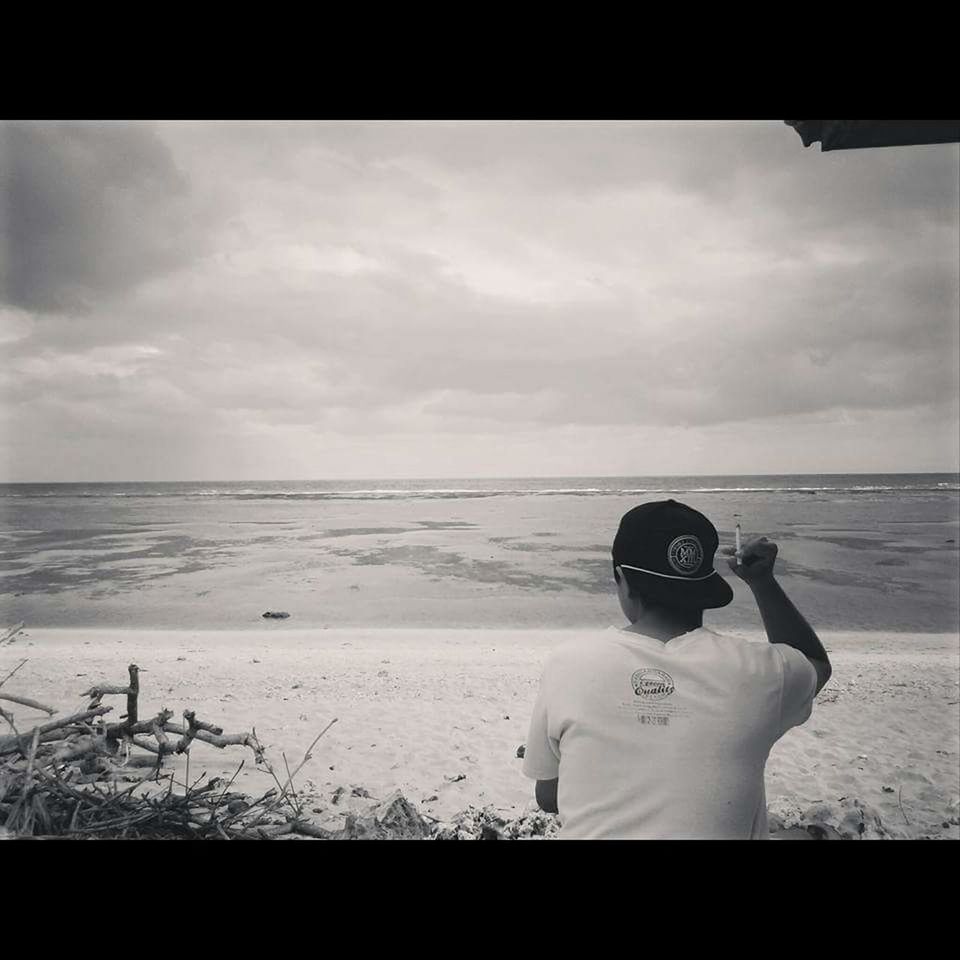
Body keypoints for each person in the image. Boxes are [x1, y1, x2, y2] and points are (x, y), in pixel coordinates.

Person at [521, 499, 831, 839]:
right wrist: (761, 582)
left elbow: (548, 797)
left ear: (621, 579)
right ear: (706, 584)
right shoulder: (760, 673)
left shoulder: (568, 665)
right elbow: (814, 664)